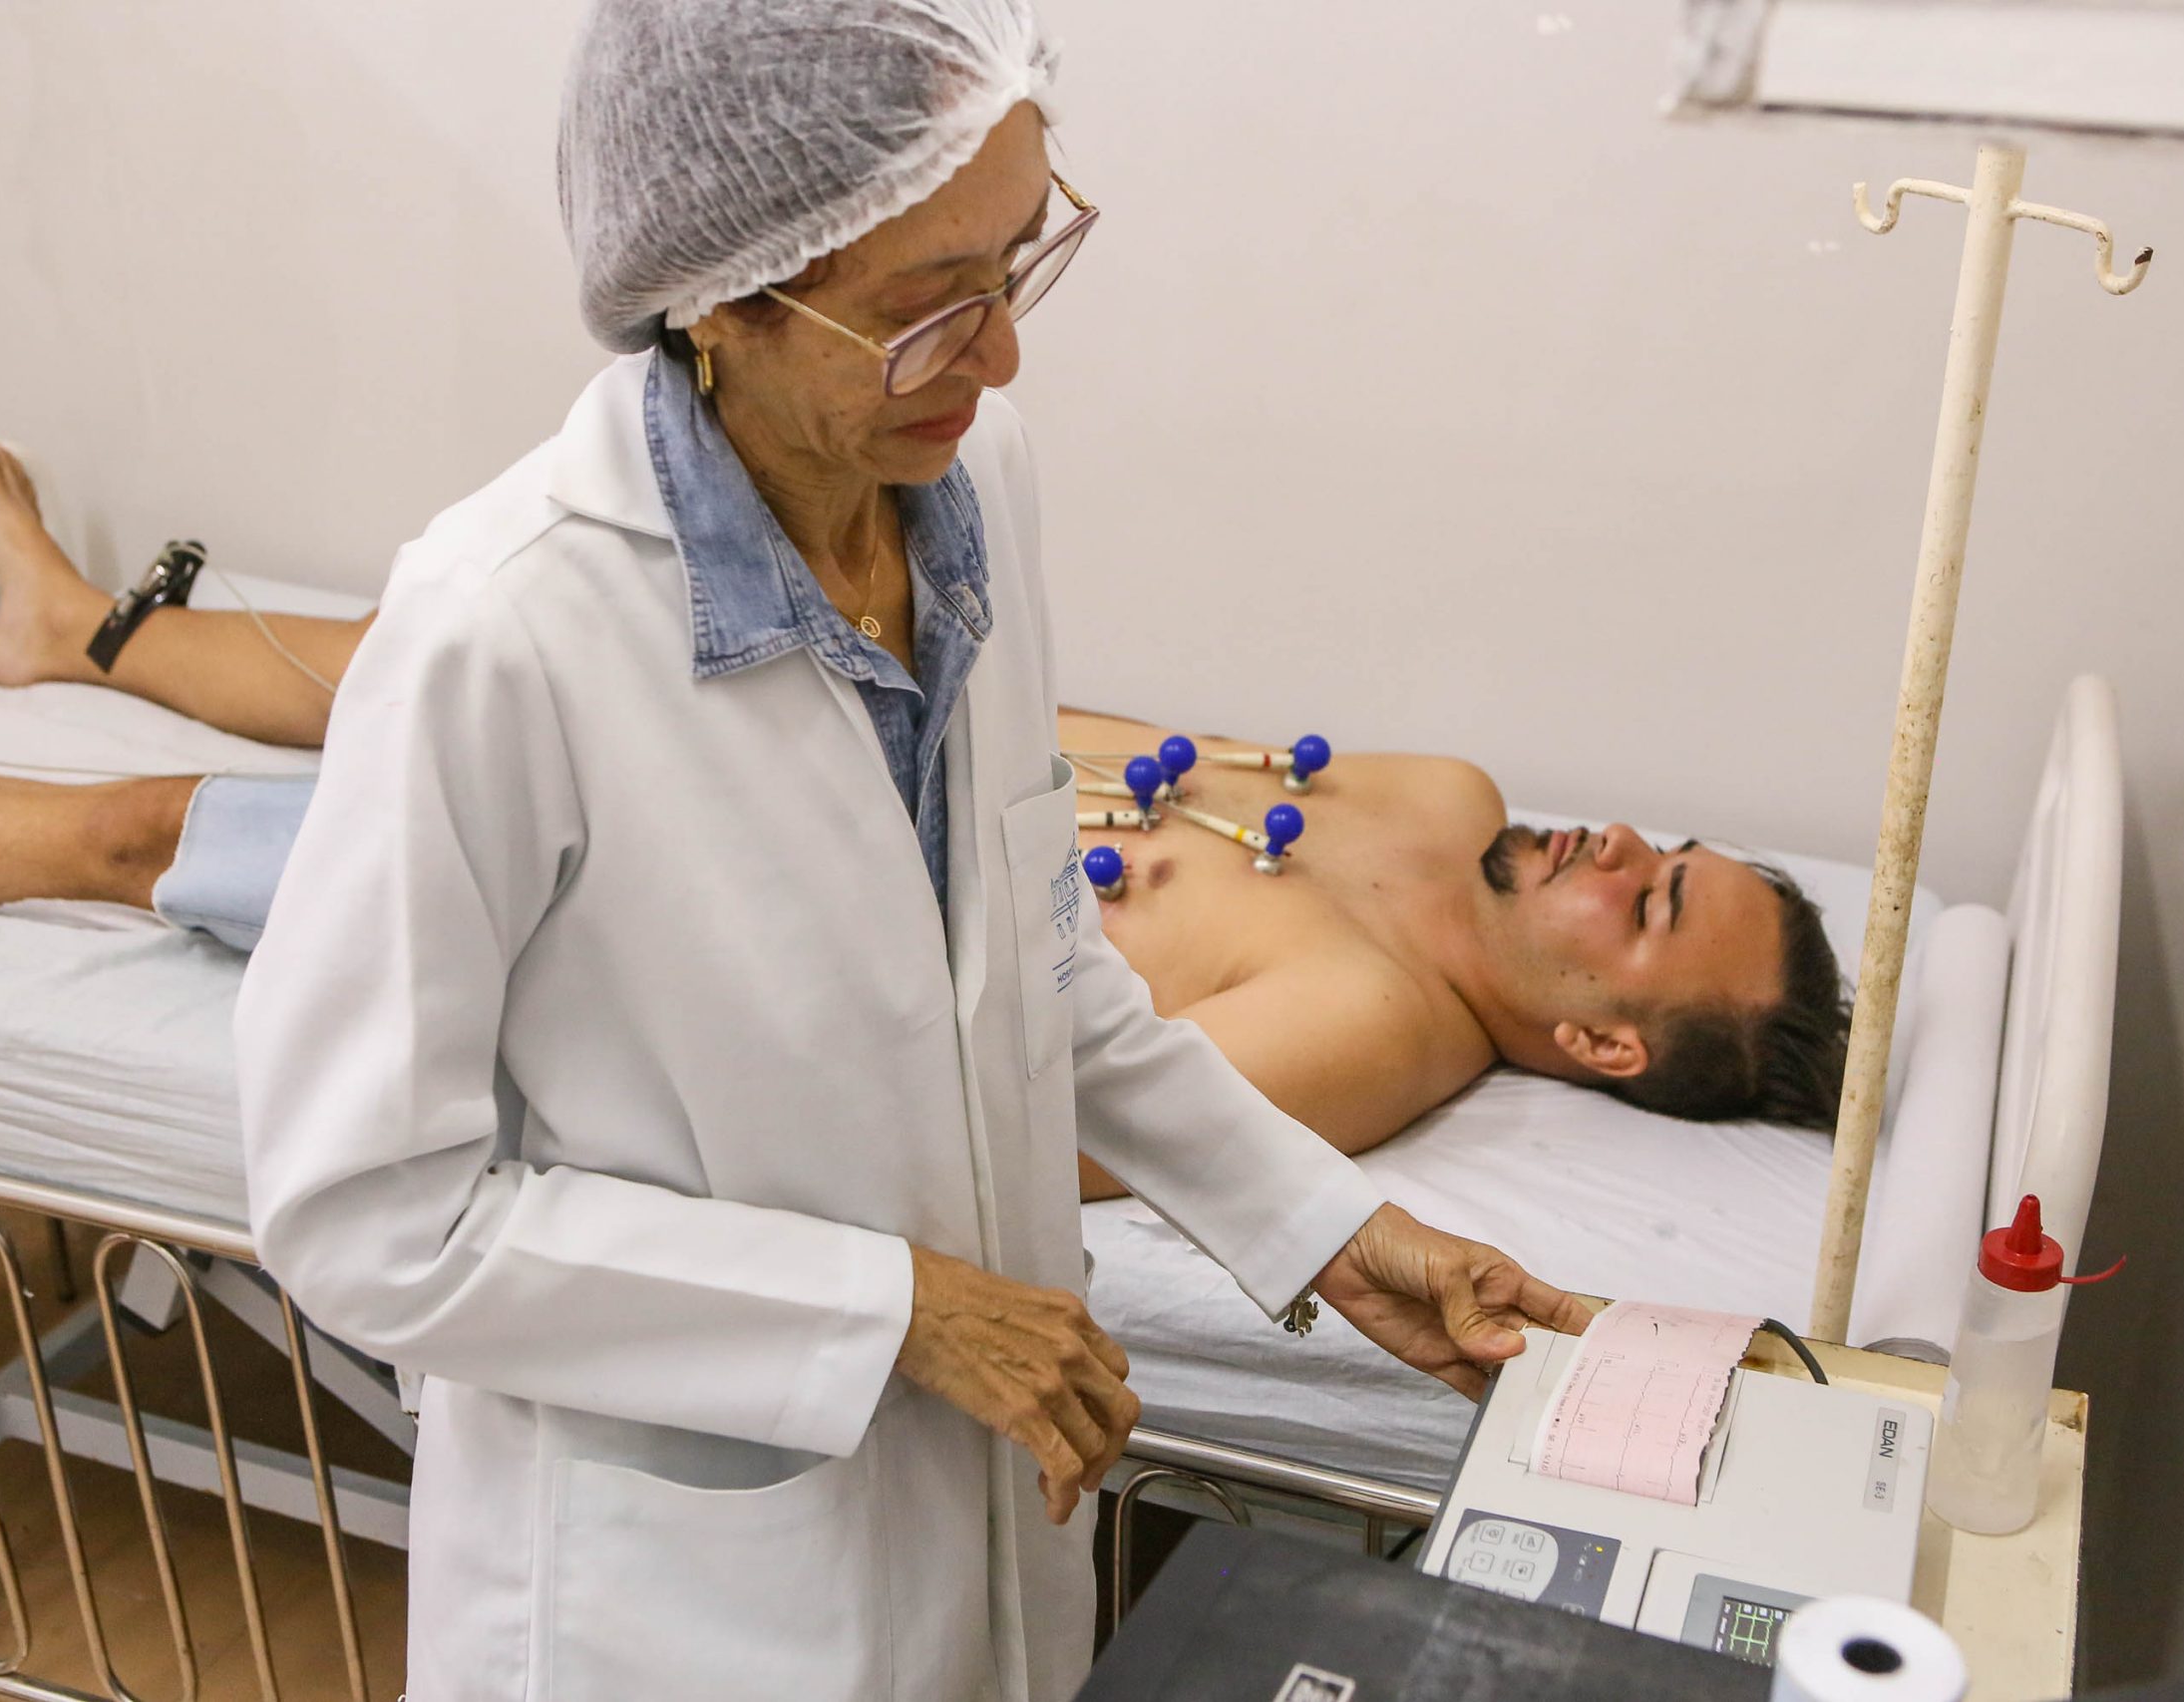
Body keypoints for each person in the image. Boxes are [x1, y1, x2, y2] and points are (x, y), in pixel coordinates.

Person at [204, 7, 1583, 1699]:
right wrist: (895, 1313)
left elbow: (1042, 971)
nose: (998, 359)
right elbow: (368, 1219)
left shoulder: (969, 481)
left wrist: (1329, 1234)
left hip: (983, 1518)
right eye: (929, 305)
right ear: (717, 295)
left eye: (1017, 266)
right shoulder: (503, 636)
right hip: (684, 1596)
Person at [0, 445, 1848, 1197]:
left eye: (1650, 906)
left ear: (1596, 1041)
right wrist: (872, 644)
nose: (1614, 848)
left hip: (697, 901)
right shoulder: (1446, 800)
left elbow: (1031, 1139)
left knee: (150, 837)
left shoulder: (1367, 1031)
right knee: (428, 647)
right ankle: (76, 627)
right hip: (856, 719)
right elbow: (1124, 740)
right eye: (1657, 848)